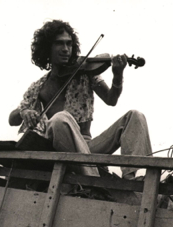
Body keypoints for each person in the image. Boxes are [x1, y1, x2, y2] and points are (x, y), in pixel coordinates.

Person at [9, 19, 152, 178]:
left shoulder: (85, 73)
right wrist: (24, 112)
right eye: (59, 43)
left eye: (69, 44)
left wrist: (117, 75)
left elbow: (111, 99)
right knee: (60, 119)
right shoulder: (39, 86)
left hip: (88, 148)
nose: (66, 49)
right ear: (46, 48)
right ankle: (93, 178)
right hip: (59, 150)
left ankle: (130, 177)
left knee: (135, 116)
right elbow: (12, 118)